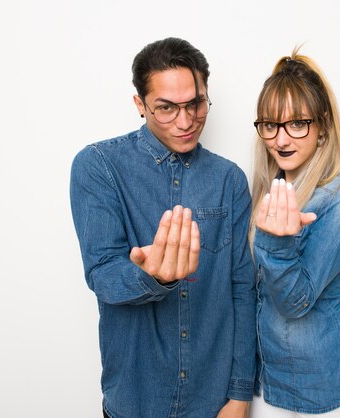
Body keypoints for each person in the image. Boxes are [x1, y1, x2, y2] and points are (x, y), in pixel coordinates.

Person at [70, 37, 256, 418]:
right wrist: (149, 274)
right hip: (136, 402)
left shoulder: (229, 180)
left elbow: (242, 289)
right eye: (166, 109)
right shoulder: (98, 166)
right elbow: (102, 274)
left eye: (195, 104)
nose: (185, 122)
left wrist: (240, 394)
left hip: (213, 403)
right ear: (140, 104)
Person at [248, 49, 340, 418]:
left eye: (297, 123)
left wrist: (274, 241)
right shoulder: (265, 191)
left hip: (331, 392)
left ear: (322, 127)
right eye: (270, 124)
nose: (281, 138)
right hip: (267, 387)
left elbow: (294, 302)